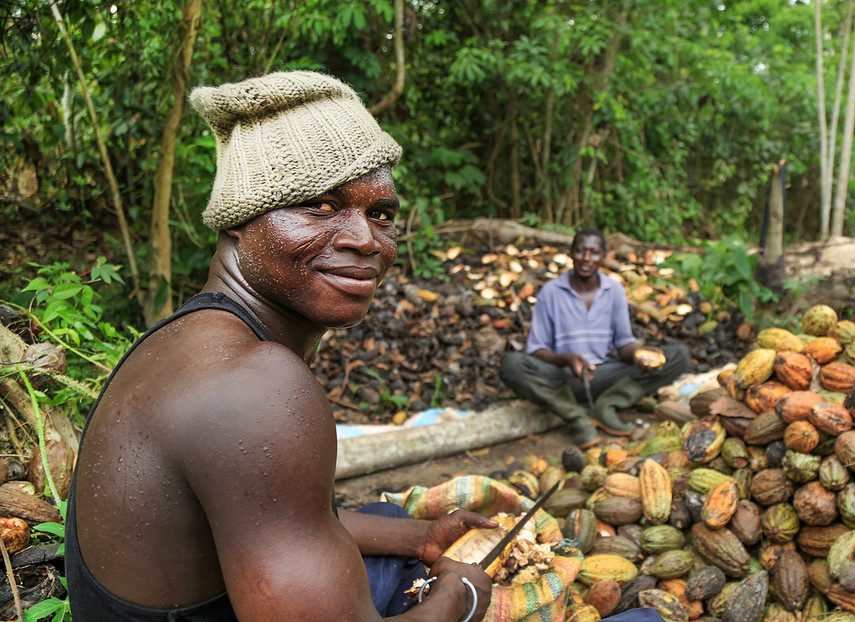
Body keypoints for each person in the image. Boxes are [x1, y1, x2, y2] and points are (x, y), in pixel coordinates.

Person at [64, 71, 663, 622]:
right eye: (319, 206)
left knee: (389, 521)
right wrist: (462, 597)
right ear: (238, 222)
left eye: (381, 213)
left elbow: (271, 514)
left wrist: (423, 541)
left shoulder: (194, 339)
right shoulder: (255, 388)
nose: (364, 240)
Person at [501, 228, 691, 448]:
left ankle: (606, 406)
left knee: (679, 355)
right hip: (564, 378)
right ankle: (577, 418)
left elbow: (623, 344)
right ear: (571, 254)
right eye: (581, 252)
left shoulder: (614, 290)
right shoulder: (551, 292)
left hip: (604, 375)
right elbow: (535, 349)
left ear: (603, 256)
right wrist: (567, 359)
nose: (586, 259)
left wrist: (638, 354)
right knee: (512, 363)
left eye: (593, 253)